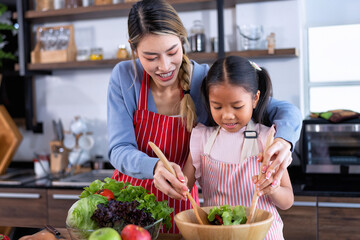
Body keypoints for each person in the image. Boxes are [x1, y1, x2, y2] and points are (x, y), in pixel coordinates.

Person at [107, 0, 301, 233]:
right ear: (134, 49)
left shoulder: (206, 81)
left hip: (180, 206)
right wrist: (155, 166)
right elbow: (119, 148)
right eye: (150, 57)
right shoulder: (124, 77)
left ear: (182, 40)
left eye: (172, 52)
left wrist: (284, 141)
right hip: (130, 203)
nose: (165, 66)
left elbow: (284, 110)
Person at [178, 56, 294, 239]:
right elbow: (184, 187)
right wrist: (176, 181)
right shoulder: (201, 138)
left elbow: (287, 200)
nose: (227, 116)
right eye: (217, 107)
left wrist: (274, 189)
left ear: (255, 99)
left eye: (237, 106)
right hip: (217, 235)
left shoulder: (266, 139)